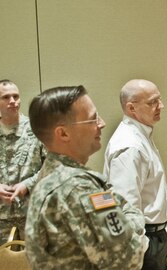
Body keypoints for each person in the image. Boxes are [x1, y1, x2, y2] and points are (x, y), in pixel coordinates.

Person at [25, 85, 149, 269]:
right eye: (92, 119)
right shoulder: (78, 187)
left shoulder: (48, 176)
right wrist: (135, 217)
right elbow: (128, 259)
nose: (102, 124)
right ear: (63, 133)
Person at [104, 79, 167, 270]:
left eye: (159, 99)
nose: (161, 106)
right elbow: (125, 206)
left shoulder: (140, 135)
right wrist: (144, 247)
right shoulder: (130, 146)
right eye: (152, 102)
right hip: (146, 241)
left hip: (154, 236)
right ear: (131, 108)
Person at [0, 79, 45, 244]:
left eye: (15, 96)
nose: (12, 101)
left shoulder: (37, 129)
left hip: (31, 216)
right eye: (5, 97)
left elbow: (52, 166)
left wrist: (28, 184)